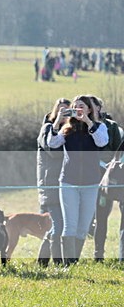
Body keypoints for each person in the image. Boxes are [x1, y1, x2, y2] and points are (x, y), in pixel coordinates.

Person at [46, 95, 109, 264]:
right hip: (68, 182)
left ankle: (74, 261)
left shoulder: (99, 127)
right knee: (70, 224)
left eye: (81, 106)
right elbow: (52, 143)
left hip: (91, 183)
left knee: (83, 226)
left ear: (89, 109)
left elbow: (102, 142)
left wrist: (89, 122)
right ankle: (69, 264)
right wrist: (58, 120)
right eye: (75, 106)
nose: (78, 109)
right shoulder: (67, 129)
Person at [37, 98, 71, 266]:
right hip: (51, 185)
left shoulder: (71, 131)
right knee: (58, 226)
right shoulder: (47, 129)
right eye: (61, 110)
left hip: (67, 184)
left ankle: (42, 262)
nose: (64, 114)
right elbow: (52, 151)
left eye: (68, 111)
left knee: (58, 227)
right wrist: (57, 124)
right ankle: (58, 264)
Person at [89, 95, 123, 261]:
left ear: (98, 108)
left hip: (113, 178)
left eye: (91, 105)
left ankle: (121, 256)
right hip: (92, 179)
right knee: (100, 218)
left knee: (112, 216)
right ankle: (98, 255)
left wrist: (108, 165)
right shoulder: (78, 127)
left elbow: (118, 150)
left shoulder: (113, 127)